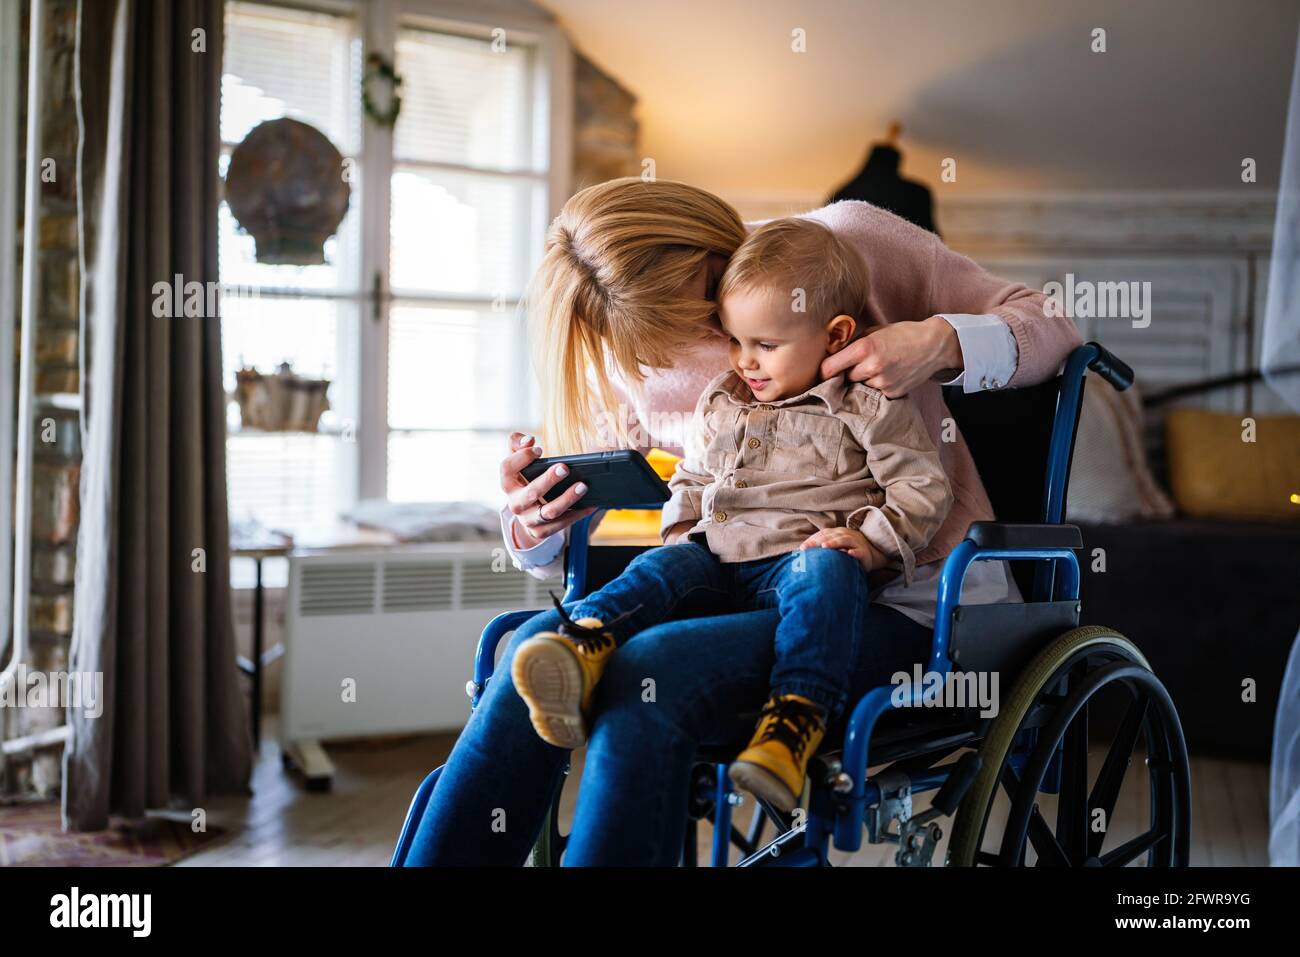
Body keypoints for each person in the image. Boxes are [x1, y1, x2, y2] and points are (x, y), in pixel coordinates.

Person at [403, 177, 1082, 866]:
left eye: (702, 315)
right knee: (535, 642)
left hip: (912, 600)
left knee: (652, 670)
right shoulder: (633, 345)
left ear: (709, 245)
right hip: (738, 584)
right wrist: (533, 518)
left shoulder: (851, 244)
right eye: (675, 340)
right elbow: (563, 538)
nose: (726, 353)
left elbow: (1055, 324)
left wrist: (939, 341)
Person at [509, 218, 952, 813]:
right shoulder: (722, 399)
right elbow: (693, 475)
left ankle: (790, 726)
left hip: (799, 560)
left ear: (836, 334)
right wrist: (680, 533)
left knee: (827, 571)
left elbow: (922, 486)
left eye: (765, 346)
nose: (746, 361)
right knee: (658, 569)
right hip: (719, 558)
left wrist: (869, 542)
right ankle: (584, 640)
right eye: (736, 342)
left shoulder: (866, 404)